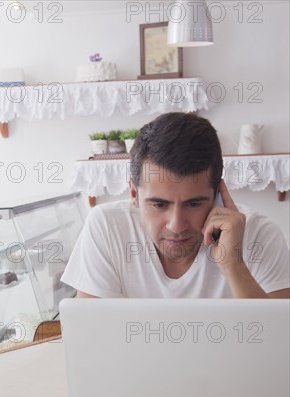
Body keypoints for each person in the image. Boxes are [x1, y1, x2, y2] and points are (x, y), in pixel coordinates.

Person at [61, 113, 289, 299]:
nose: (177, 225)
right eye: (159, 204)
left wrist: (234, 265)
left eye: (194, 203)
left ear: (218, 195)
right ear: (134, 194)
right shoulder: (107, 225)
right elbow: (94, 337)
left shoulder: (260, 233)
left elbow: (279, 345)